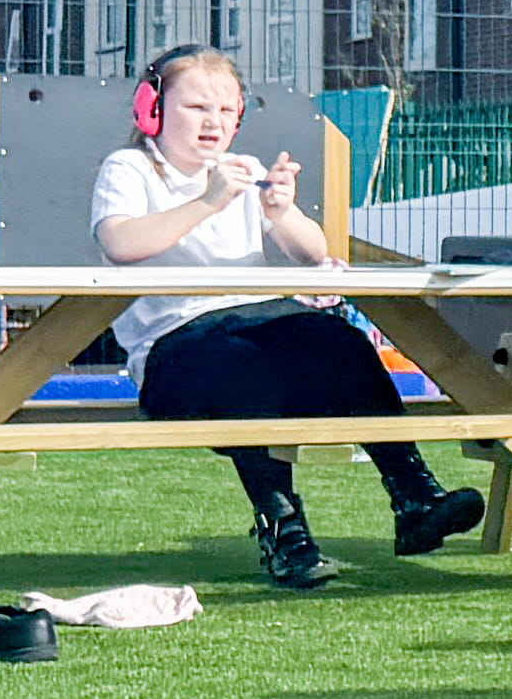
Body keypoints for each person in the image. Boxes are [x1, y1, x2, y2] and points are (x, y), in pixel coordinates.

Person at [89, 46, 479, 592]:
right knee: (242, 366)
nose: (214, 122)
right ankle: (285, 531)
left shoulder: (240, 171)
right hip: (174, 355)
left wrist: (282, 212)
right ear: (151, 109)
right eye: (197, 107)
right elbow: (120, 240)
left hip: (255, 327)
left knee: (339, 340)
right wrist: (207, 201)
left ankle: (414, 495)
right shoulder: (131, 167)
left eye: (227, 111)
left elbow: (314, 253)